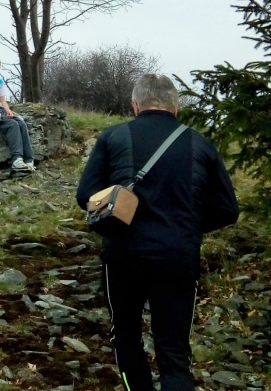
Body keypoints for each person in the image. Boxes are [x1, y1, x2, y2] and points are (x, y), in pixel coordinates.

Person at [76, 74, 239, 391]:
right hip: (178, 256)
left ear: (135, 105)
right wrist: (188, 225)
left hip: (123, 255)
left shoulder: (113, 137)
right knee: (175, 351)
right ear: (176, 108)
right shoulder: (200, 144)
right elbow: (227, 209)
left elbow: (86, 195)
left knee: (125, 335)